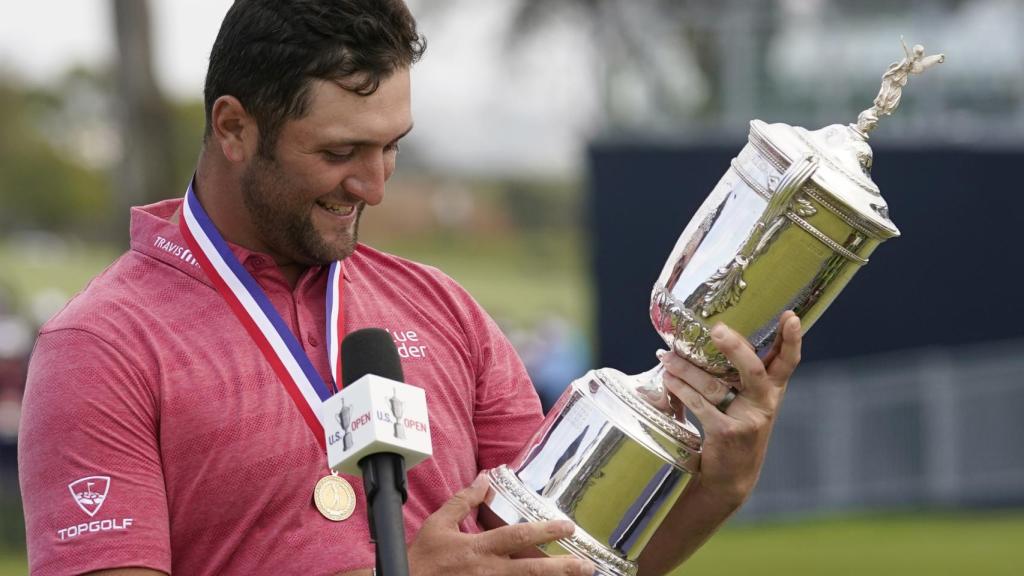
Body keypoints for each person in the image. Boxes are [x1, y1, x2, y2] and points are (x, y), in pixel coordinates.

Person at [17, 1, 802, 575]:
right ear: (233, 128)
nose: (375, 185)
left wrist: (717, 489)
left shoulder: (445, 310)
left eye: (393, 147)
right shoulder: (100, 347)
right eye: (340, 151)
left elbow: (558, 557)